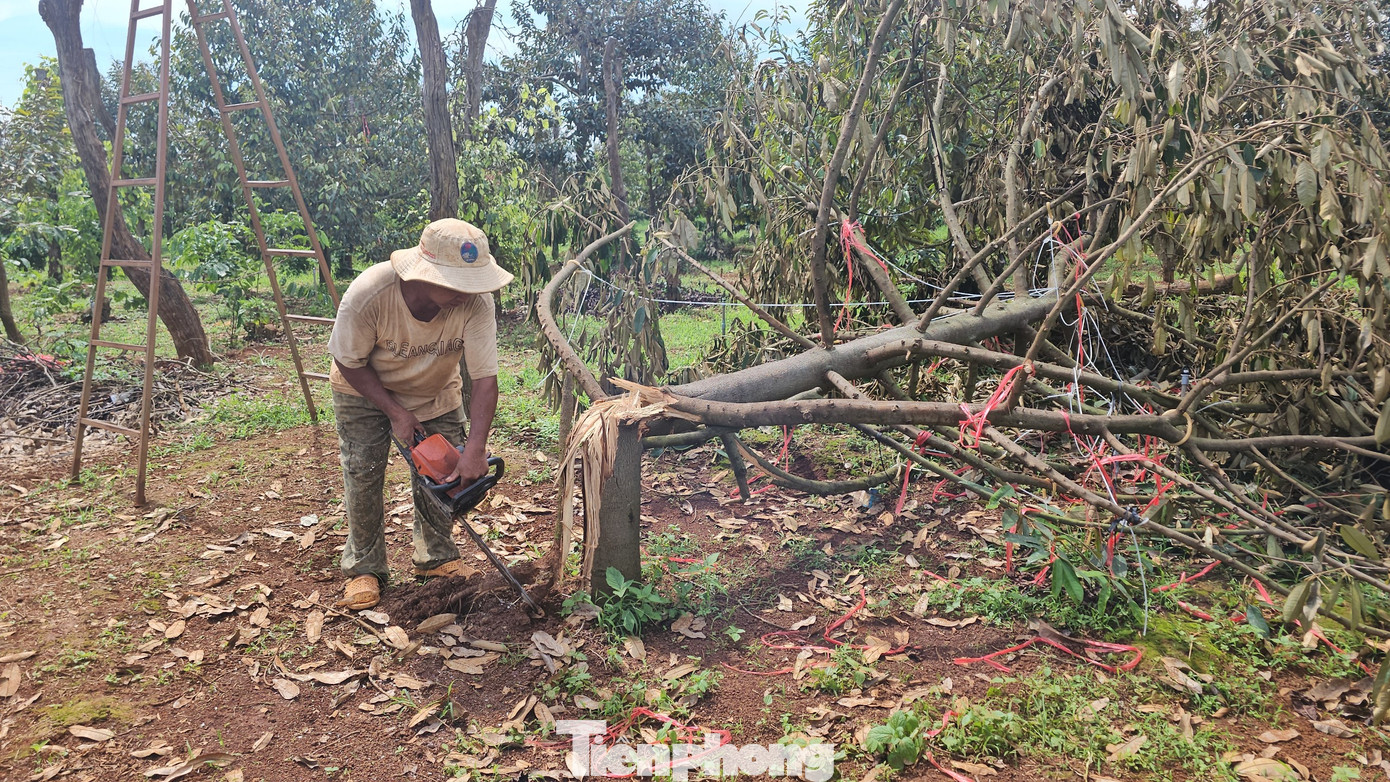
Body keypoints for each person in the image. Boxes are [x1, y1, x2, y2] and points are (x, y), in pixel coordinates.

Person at [327, 218, 513, 610]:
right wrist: (394, 411)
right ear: (423, 273)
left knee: (444, 470)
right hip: (363, 387)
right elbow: (348, 360)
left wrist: (476, 449)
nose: (467, 293)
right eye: (456, 283)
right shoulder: (370, 293)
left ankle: (435, 557)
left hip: (435, 390)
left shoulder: (476, 304)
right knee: (363, 470)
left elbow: (484, 381)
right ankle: (364, 567)